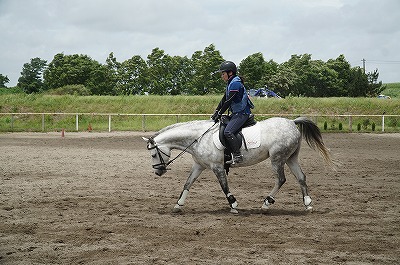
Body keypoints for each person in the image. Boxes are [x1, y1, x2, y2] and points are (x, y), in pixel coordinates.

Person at [211, 61, 254, 164]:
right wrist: (216, 111)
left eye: (223, 73)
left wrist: (220, 114)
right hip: (236, 113)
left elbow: (228, 101)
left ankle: (237, 155)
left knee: (228, 132)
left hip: (242, 113)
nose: (222, 76)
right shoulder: (230, 83)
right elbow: (224, 99)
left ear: (230, 73)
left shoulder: (235, 83)